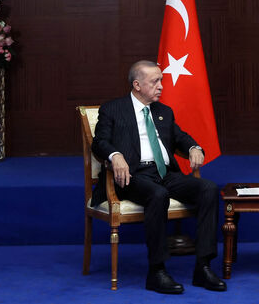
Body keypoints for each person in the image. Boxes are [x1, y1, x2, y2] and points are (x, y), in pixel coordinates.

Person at [91, 60, 226, 293]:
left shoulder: (164, 111)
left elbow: (180, 138)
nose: (161, 86)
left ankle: (203, 267)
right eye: (155, 81)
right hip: (132, 176)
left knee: (208, 189)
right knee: (158, 194)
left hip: (164, 173)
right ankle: (157, 271)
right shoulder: (113, 109)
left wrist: (194, 147)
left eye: (161, 80)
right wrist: (115, 155)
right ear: (137, 85)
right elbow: (99, 142)